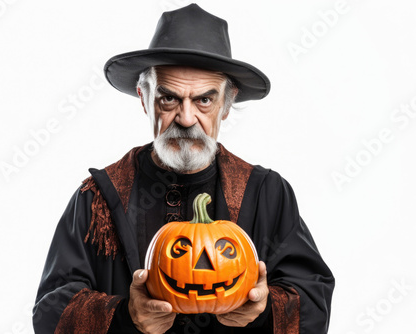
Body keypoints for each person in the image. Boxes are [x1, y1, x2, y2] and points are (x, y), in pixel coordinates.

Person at [33, 4, 335, 334]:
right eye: (169, 99)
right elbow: (50, 311)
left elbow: (313, 301)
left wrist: (262, 311)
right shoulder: (97, 199)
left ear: (227, 105)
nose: (187, 119)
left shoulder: (267, 193)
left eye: (204, 100)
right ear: (144, 99)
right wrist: (125, 316)